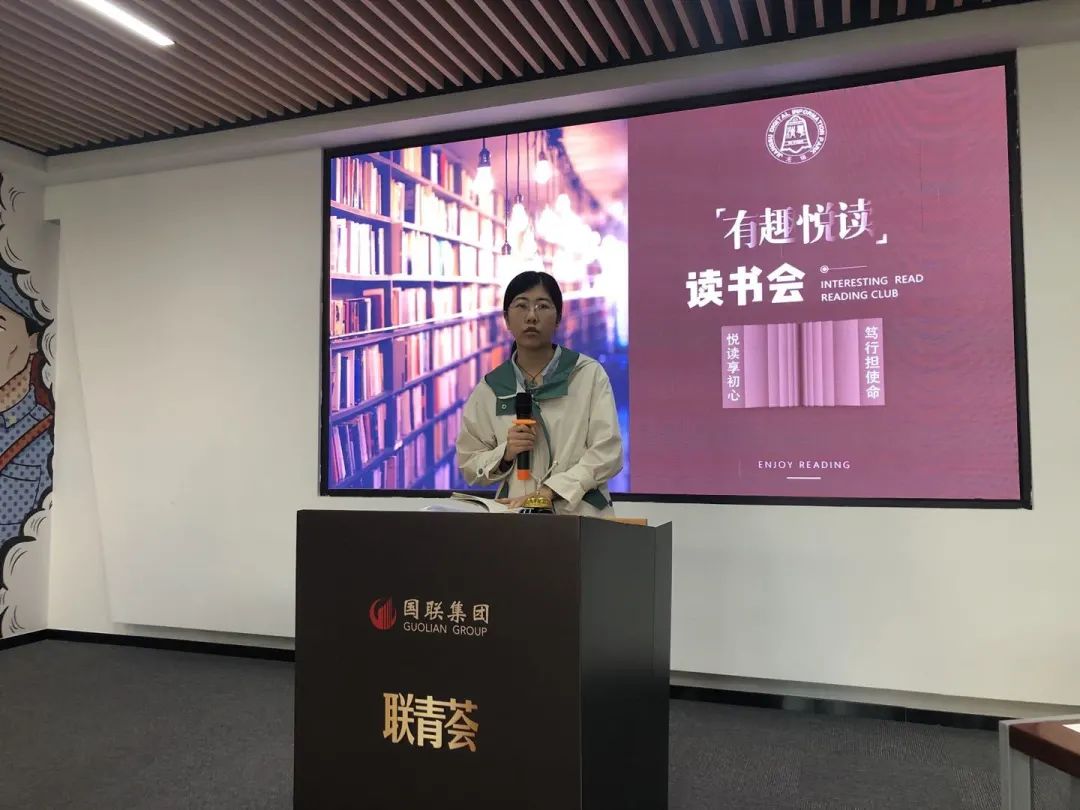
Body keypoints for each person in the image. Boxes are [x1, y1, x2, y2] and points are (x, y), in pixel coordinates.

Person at [456, 271, 623, 517]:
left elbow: (607, 452)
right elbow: (469, 463)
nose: (531, 316)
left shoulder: (587, 374)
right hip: (517, 519)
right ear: (506, 319)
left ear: (558, 318)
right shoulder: (491, 388)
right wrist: (506, 453)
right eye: (521, 306)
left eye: (542, 306)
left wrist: (549, 491)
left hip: (580, 515)